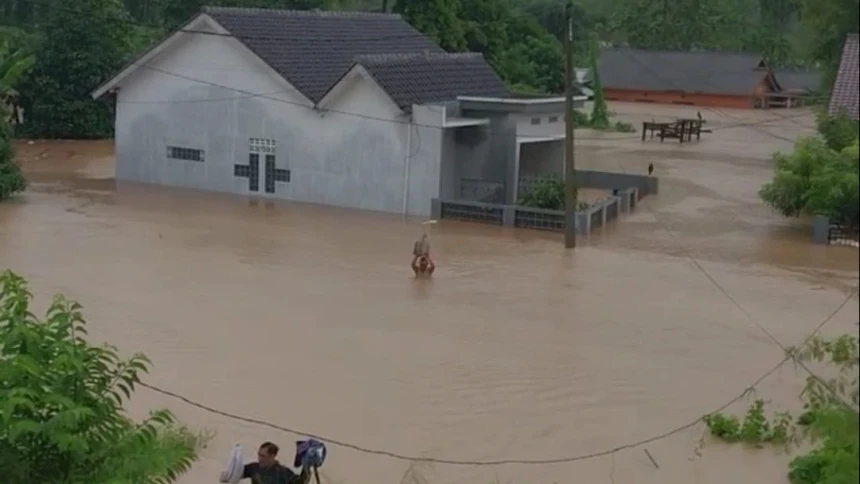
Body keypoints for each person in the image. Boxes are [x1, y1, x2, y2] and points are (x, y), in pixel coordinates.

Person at [232, 442, 311, 484]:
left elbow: (301, 482)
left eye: (263, 456)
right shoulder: (254, 468)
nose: (259, 458)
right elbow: (235, 472)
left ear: (272, 456)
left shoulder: (283, 473)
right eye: (259, 454)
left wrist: (307, 464)